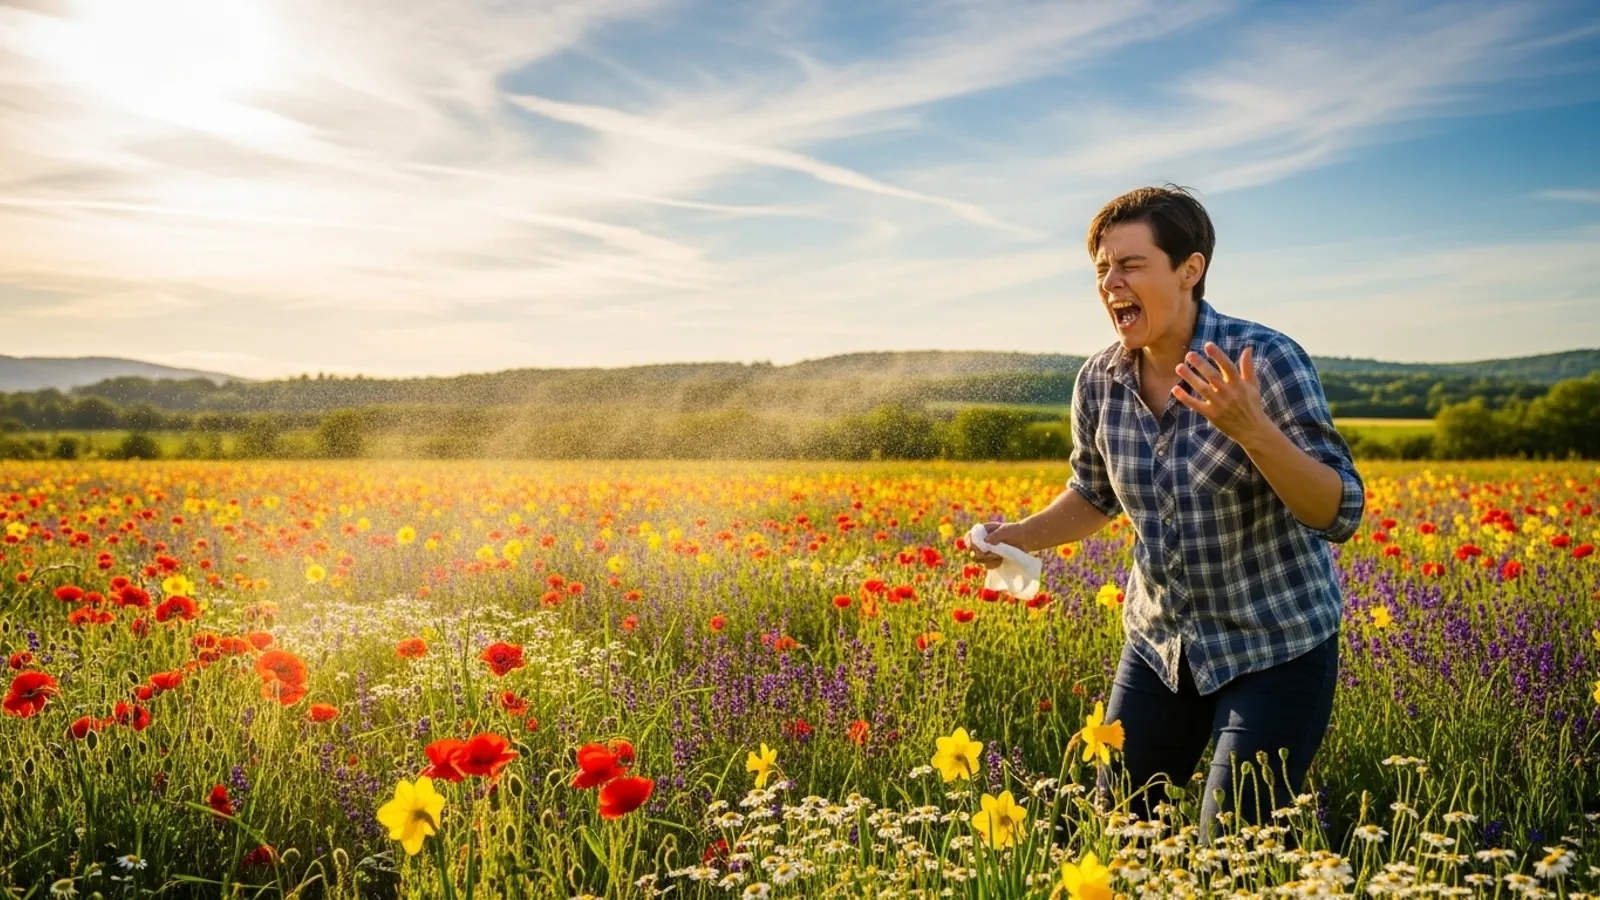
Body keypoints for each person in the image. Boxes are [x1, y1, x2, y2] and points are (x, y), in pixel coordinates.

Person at [967, 185, 1364, 844]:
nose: (1110, 283)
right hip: (1160, 646)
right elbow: (1094, 493)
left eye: (1131, 264)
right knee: (1116, 837)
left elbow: (1339, 512)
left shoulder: (1264, 360)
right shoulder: (1099, 380)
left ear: (1189, 269)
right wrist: (1018, 536)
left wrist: (1253, 430)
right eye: (1102, 269)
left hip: (1276, 647)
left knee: (1233, 850)